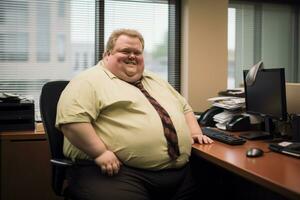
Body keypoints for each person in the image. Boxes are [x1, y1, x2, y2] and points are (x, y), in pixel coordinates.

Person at [56, 28, 213, 200]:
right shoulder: (88, 81)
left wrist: (195, 132)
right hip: (117, 173)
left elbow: (184, 107)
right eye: (125, 51)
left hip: (179, 173)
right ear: (107, 54)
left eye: (137, 52)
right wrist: (100, 153)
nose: (132, 56)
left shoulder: (156, 80)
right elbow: (72, 122)